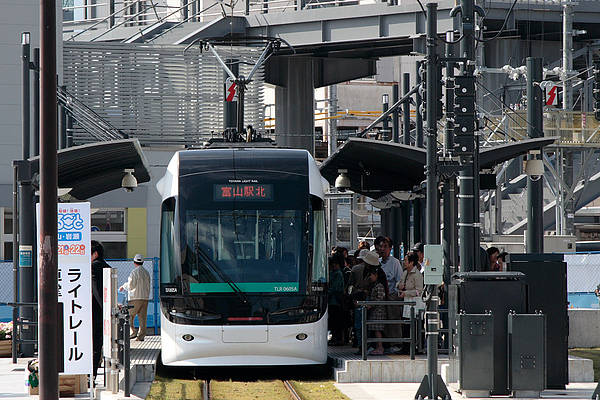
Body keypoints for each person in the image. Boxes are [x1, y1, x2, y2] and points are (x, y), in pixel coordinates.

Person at [348, 250, 380, 352]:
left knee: (359, 325)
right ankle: (368, 346)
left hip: (358, 299)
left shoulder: (355, 269)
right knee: (367, 325)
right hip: (369, 300)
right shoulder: (378, 271)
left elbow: (350, 286)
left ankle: (361, 346)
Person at [375, 236, 403, 347]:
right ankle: (384, 344)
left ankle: (396, 344)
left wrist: (394, 295)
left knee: (393, 320)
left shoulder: (395, 263)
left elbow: (399, 280)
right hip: (380, 297)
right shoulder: (377, 262)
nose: (382, 249)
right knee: (381, 322)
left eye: (385, 246)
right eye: (380, 246)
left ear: (390, 248)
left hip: (391, 296)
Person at [91, 240, 111, 379]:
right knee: (98, 346)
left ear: (95, 254)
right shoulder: (107, 267)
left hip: (94, 313)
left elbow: (97, 292)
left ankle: (90, 376)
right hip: (104, 314)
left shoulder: (93, 267)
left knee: (92, 347)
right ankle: (92, 375)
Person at [119, 254, 151, 341]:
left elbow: (130, 286)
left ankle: (132, 332)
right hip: (145, 298)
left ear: (134, 262)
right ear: (142, 262)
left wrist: (123, 286)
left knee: (129, 315)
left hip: (135, 297)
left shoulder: (134, 272)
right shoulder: (146, 272)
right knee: (142, 317)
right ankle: (141, 336)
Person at [366, 266, 388, 355]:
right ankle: (378, 347)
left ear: (376, 275)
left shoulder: (379, 286)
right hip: (375, 311)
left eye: (371, 275)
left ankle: (380, 347)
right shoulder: (376, 285)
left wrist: (371, 304)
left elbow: (380, 298)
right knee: (376, 330)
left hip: (378, 311)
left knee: (377, 330)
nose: (370, 277)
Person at [327, 256, 345, 345]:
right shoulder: (334, 273)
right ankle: (335, 337)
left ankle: (337, 338)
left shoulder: (338, 274)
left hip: (335, 301)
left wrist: (328, 292)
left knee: (335, 321)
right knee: (334, 321)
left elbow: (335, 288)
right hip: (334, 301)